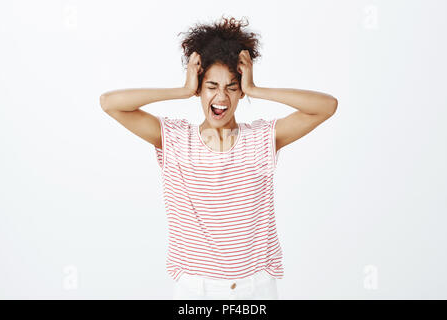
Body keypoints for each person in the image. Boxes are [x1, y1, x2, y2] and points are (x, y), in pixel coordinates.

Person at [99, 16, 338, 300]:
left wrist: (256, 90)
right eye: (211, 86)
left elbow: (327, 107)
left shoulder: (262, 138)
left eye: (232, 87)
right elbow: (110, 103)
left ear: (241, 92)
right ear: (199, 89)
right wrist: (182, 90)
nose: (221, 96)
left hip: (256, 289)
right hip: (195, 290)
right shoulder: (175, 139)